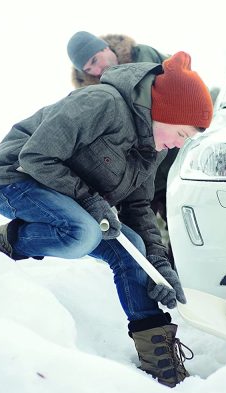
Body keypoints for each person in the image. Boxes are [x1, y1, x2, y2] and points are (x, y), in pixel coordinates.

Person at [0, 51, 213, 387]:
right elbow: (36, 157)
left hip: (69, 197)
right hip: (15, 179)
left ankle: (158, 357)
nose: (179, 144)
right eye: (182, 133)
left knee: (133, 247)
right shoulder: (102, 103)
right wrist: (89, 200)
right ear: (165, 111)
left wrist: (157, 264)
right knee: (80, 232)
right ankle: (4, 239)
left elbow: (138, 208)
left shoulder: (154, 149)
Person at [67, 31, 177, 262]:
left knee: (178, 229)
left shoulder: (142, 56)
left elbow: (162, 102)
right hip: (133, 177)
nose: (96, 71)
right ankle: (153, 284)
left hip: (170, 168)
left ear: (107, 48)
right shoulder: (96, 93)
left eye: (96, 60)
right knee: (139, 241)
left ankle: (185, 283)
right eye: (88, 69)